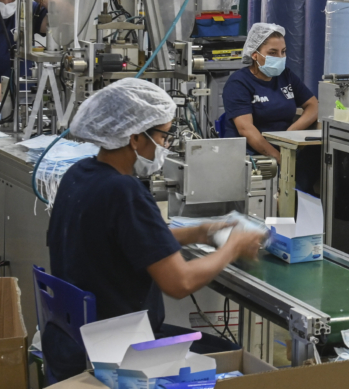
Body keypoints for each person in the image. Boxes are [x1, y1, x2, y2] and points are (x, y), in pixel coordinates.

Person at [45, 79, 268, 380]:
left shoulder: (80, 175)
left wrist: (200, 232)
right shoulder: (124, 192)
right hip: (119, 351)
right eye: (163, 136)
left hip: (71, 340)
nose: (165, 146)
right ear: (135, 138)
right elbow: (180, 283)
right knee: (230, 359)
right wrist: (232, 247)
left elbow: (127, 241)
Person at [220, 23, 320, 191]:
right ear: (254, 55)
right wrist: (279, 158)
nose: (280, 57)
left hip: (286, 148)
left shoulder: (285, 76)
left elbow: (313, 105)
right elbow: (246, 129)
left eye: (283, 52)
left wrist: (291, 133)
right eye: (273, 53)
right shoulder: (238, 83)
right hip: (253, 153)